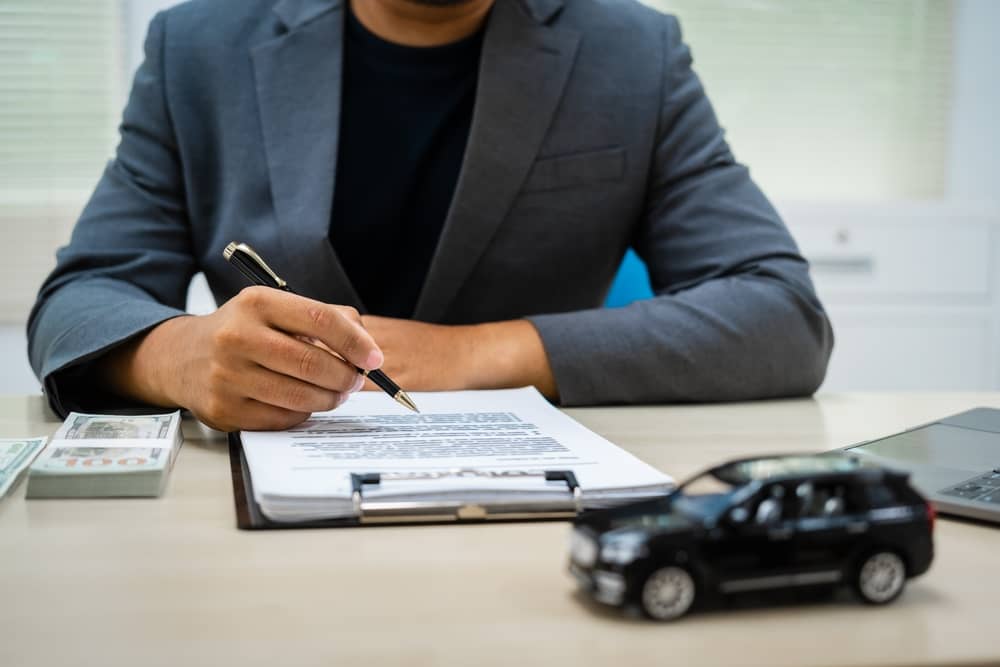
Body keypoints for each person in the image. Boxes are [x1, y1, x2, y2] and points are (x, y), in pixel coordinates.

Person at [27, 0, 833, 432]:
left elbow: (782, 314)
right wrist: (180, 356)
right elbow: (80, 300)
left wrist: (478, 352)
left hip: (538, 522)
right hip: (265, 522)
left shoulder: (634, 52)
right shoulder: (196, 47)